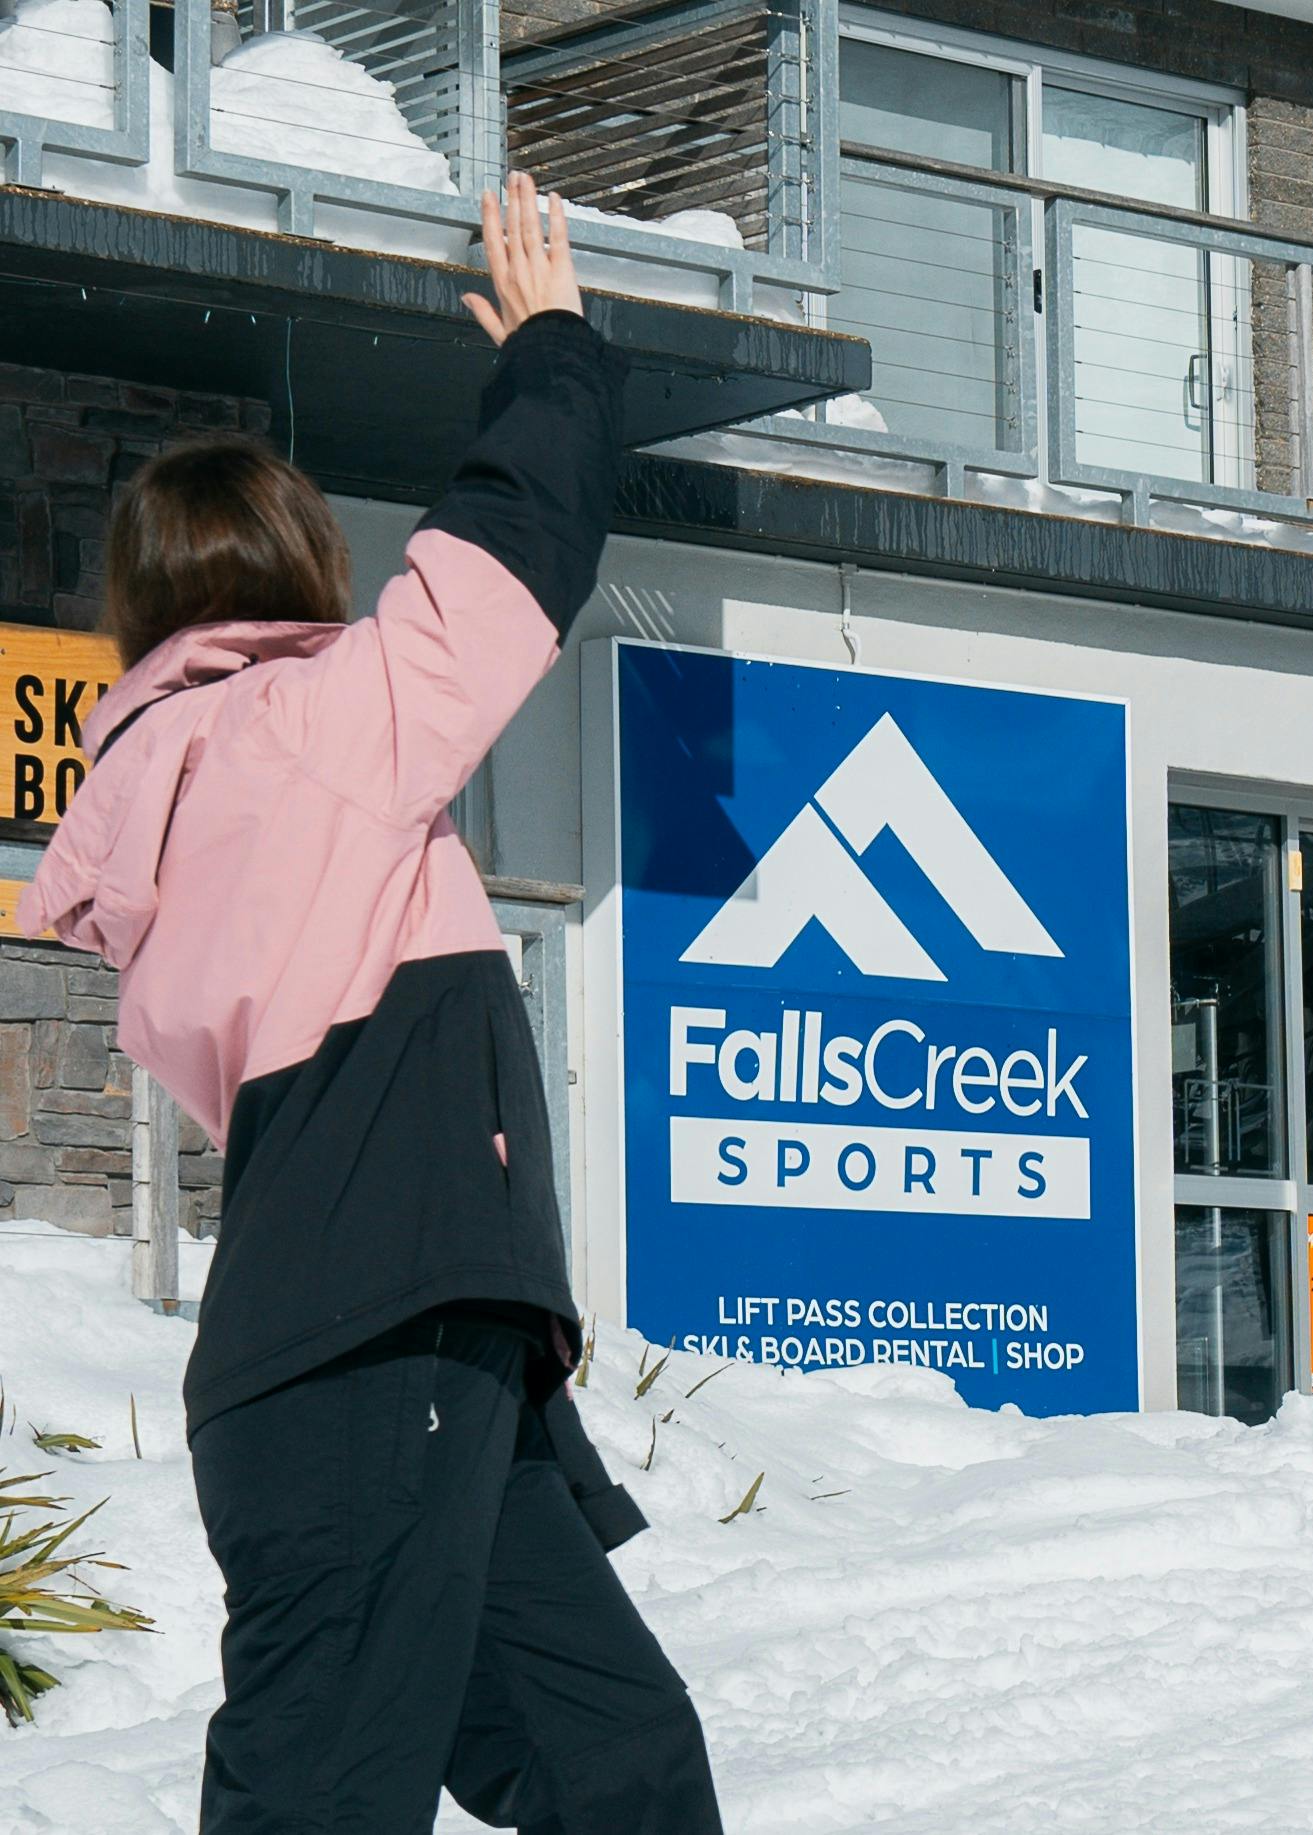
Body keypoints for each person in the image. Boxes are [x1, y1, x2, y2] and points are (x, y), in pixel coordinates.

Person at [22, 175, 725, 1832]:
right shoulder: (309, 731)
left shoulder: (160, 804)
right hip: (375, 1353)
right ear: (295, 569)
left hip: (380, 1364)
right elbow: (511, 549)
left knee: (606, 1757)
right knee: (326, 1794)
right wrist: (554, 347)